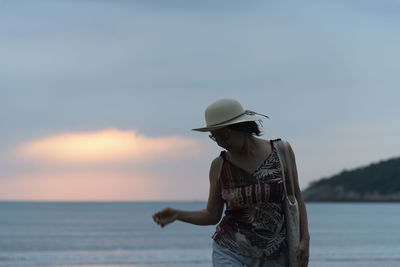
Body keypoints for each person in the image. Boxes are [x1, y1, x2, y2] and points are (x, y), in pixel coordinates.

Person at [152, 99, 310, 267]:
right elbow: (212, 215)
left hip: (276, 254)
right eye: (215, 137)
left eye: (224, 136)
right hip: (229, 249)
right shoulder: (219, 166)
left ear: (242, 128)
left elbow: (296, 197)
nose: (221, 143)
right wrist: (177, 215)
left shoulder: (281, 152)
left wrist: (305, 239)